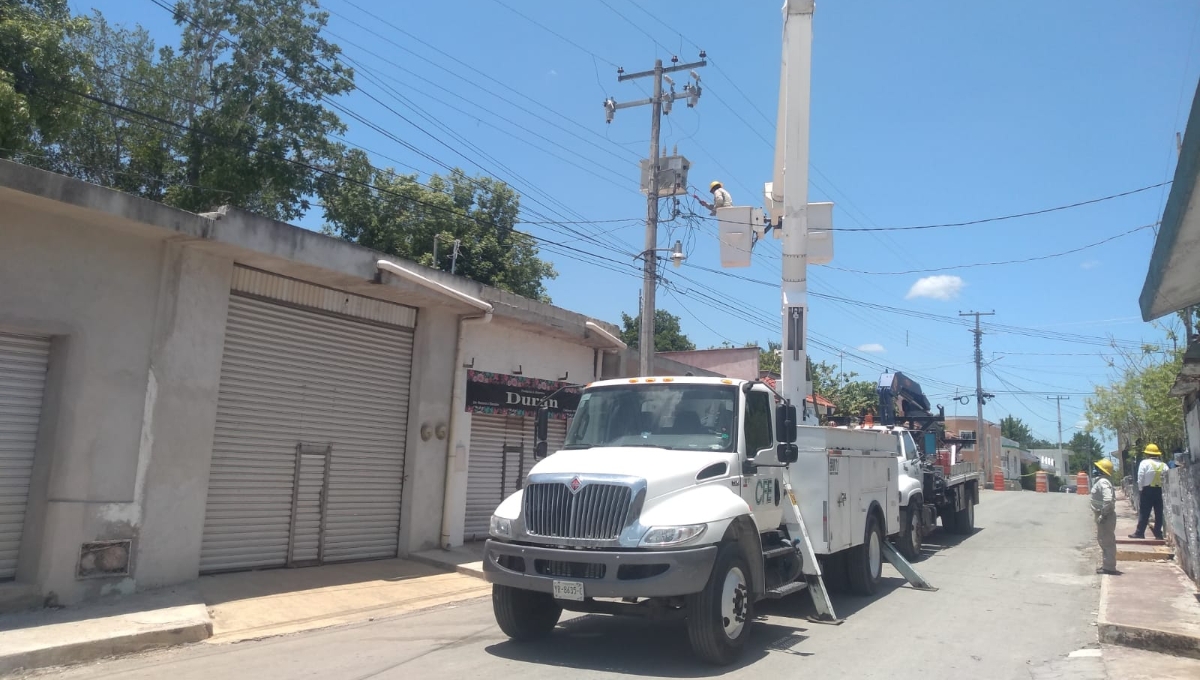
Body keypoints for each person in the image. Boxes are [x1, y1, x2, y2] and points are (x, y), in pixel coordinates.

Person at [1129, 443, 1168, 539]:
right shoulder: (1164, 465)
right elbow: (1168, 479)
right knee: (1159, 512)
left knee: (1144, 512)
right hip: (1160, 490)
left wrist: (1140, 489)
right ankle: (1158, 533)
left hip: (1147, 490)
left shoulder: (1144, 463)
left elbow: (1140, 477)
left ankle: (1140, 532)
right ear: (1157, 454)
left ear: (1147, 454)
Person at [1090, 458, 1118, 575]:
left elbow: (1107, 499)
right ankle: (1107, 565)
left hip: (1105, 516)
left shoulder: (1103, 482)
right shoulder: (1102, 481)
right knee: (1104, 540)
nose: (1094, 470)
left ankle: (1109, 567)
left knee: (1107, 541)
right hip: (1104, 515)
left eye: (1097, 468)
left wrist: (1104, 514)